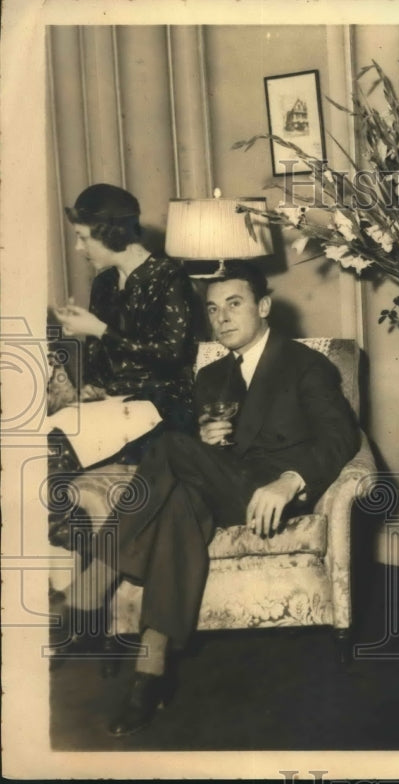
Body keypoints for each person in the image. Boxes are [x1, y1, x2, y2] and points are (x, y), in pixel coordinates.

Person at [53, 261, 361, 736]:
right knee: (177, 504)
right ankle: (149, 677)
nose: (222, 318)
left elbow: (341, 438)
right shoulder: (212, 375)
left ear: (263, 306)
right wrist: (205, 437)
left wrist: (289, 480)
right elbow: (204, 456)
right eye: (213, 309)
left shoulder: (306, 364)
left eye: (234, 304)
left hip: (270, 497)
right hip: (219, 488)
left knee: (170, 447)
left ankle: (91, 587)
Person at [49, 184, 201, 544]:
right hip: (114, 407)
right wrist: (91, 385)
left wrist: (101, 329)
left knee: (52, 448)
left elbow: (171, 354)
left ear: (110, 232)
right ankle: (69, 550)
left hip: (163, 409)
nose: (78, 248)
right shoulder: (103, 284)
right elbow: (101, 363)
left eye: (83, 238)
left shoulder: (169, 277)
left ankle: (74, 556)